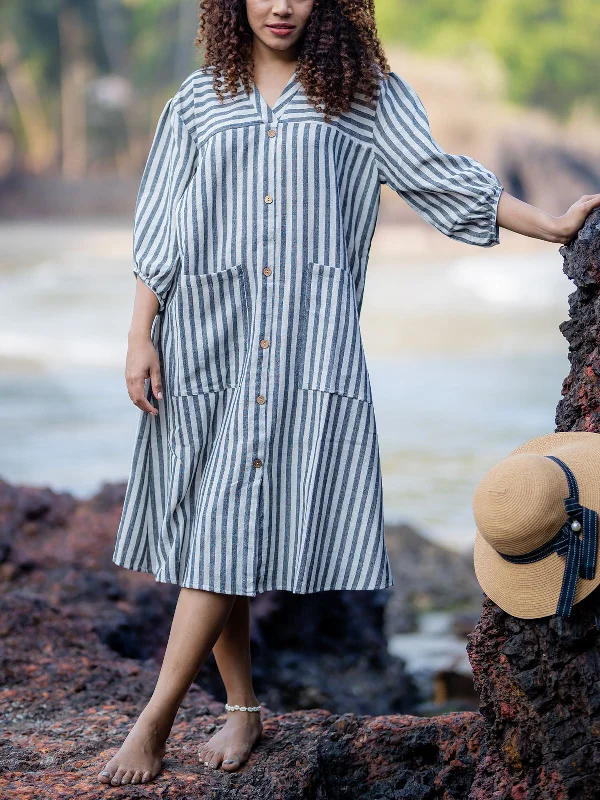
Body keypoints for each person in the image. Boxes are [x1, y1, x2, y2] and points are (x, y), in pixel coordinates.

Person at [98, 0, 600, 788]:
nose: (281, 5)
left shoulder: (361, 95)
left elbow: (440, 178)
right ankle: (240, 705)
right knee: (216, 525)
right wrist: (139, 334)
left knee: (229, 516)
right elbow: (159, 220)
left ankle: (155, 719)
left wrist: (551, 223)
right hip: (203, 337)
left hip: (302, 347)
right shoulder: (197, 101)